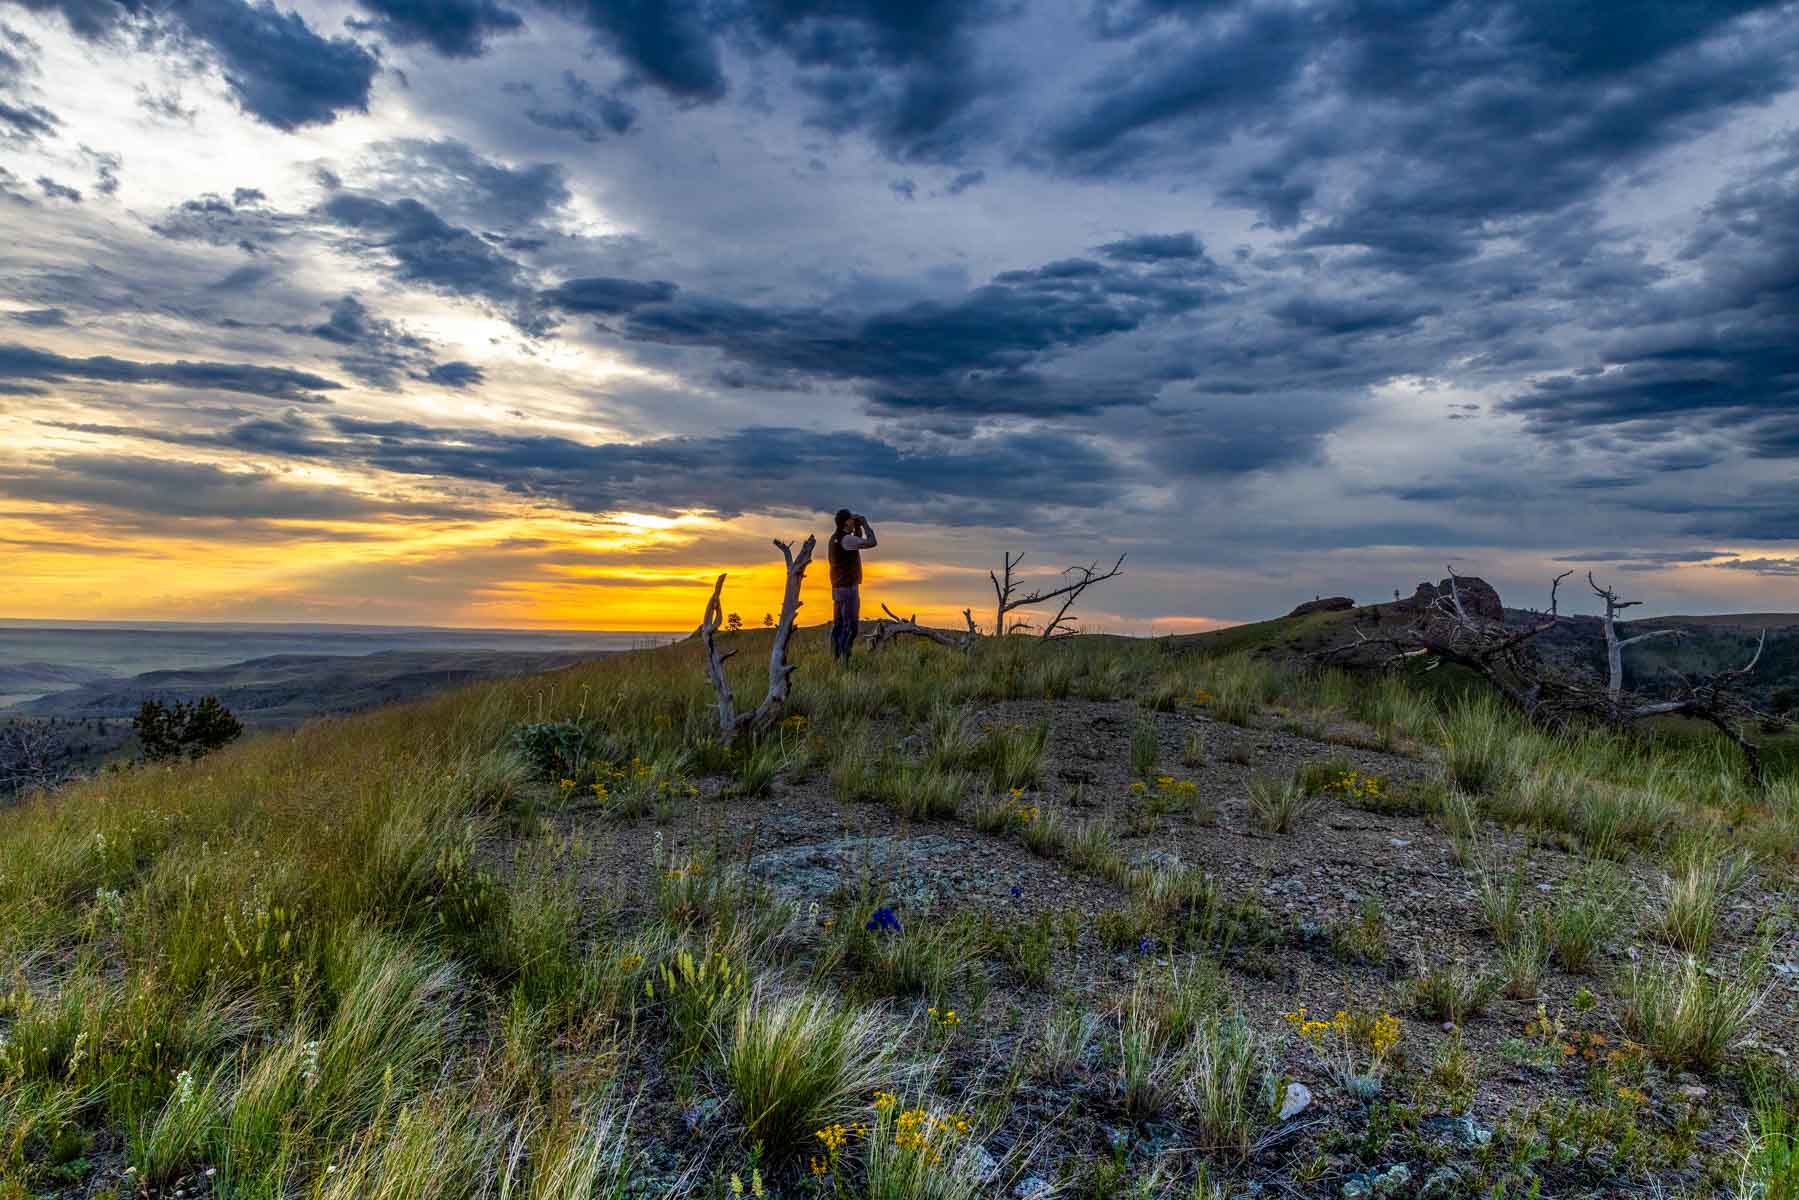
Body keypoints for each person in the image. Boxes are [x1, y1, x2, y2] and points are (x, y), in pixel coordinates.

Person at [828, 508, 876, 661]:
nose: (853, 520)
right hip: (848, 588)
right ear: (845, 522)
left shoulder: (835, 538)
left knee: (839, 625)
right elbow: (871, 542)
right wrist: (865, 523)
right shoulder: (846, 540)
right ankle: (844, 659)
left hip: (837, 587)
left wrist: (857, 526)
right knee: (851, 627)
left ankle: (835, 658)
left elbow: (856, 539)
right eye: (850, 519)